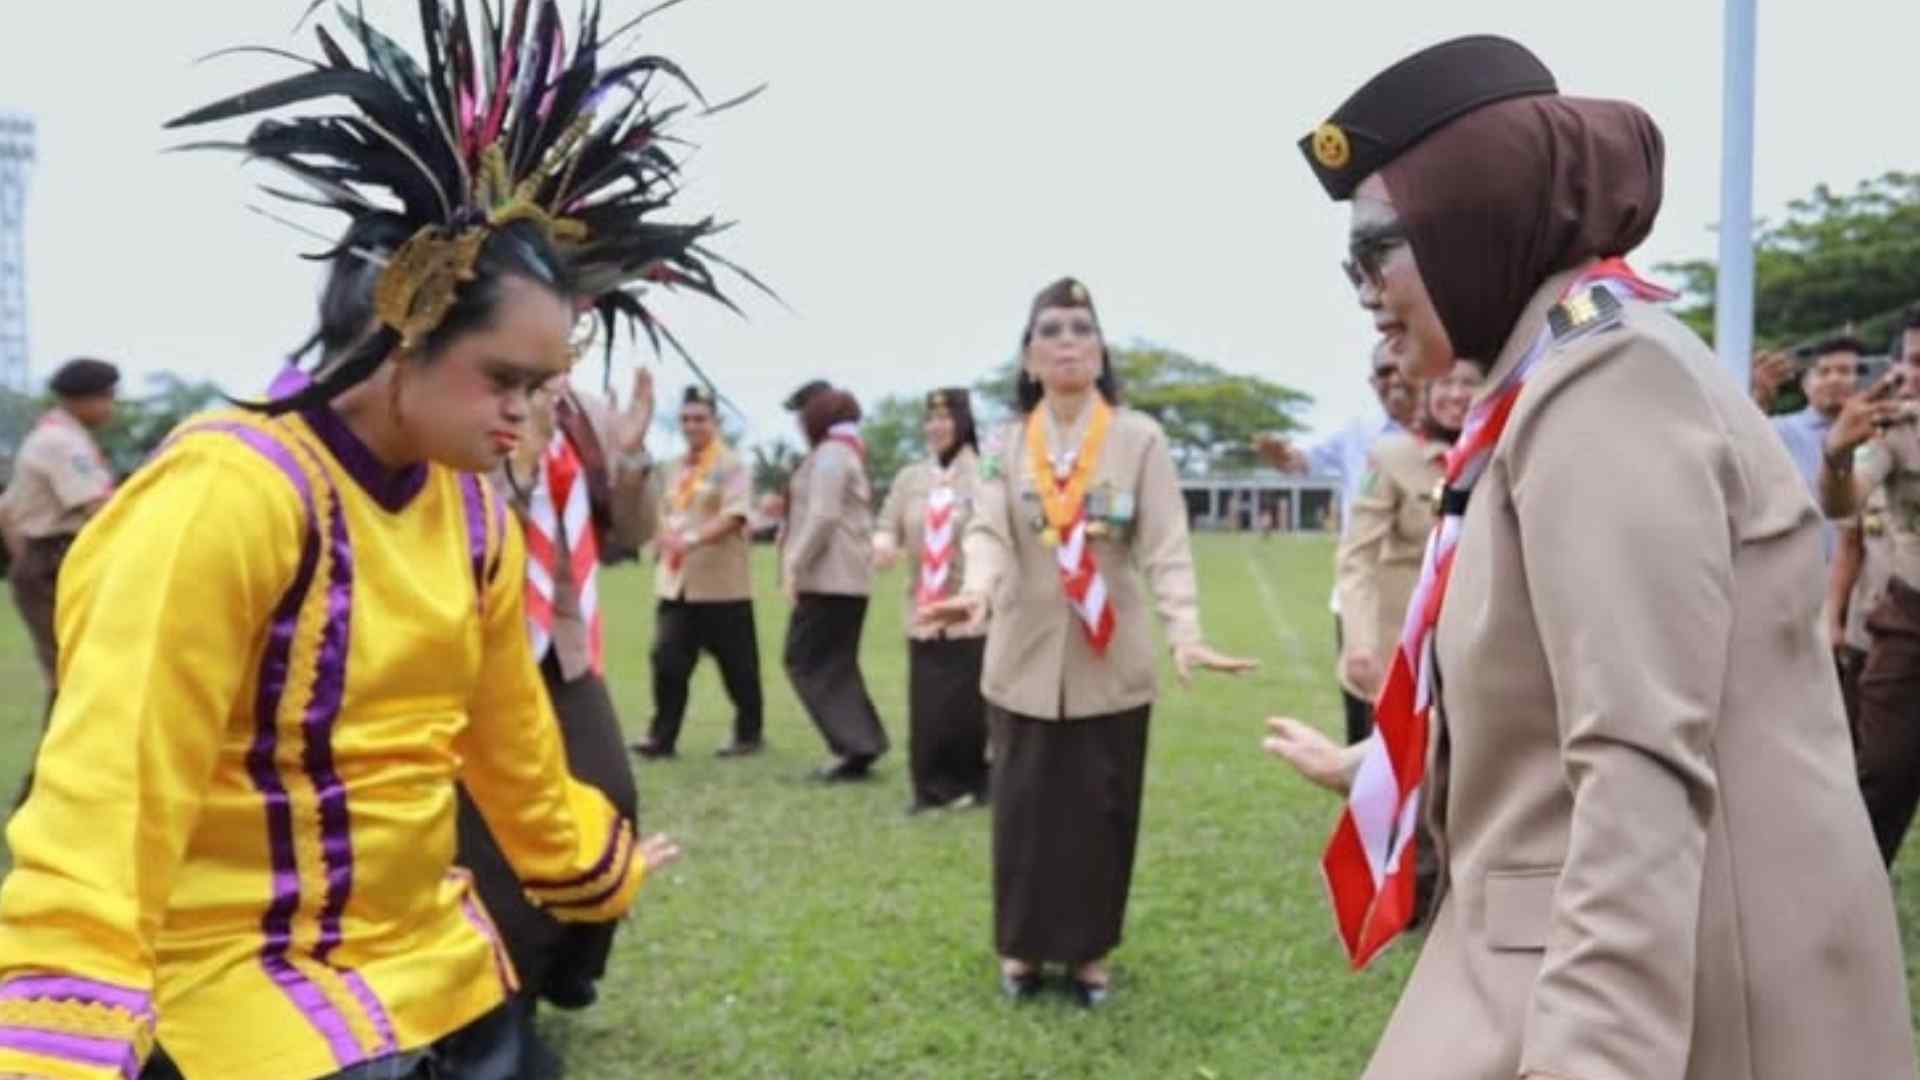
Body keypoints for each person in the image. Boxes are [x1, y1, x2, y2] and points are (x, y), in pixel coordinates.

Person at [0, 3, 761, 1074]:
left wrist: (594, 862)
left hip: (437, 974)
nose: (522, 417)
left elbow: (512, 751)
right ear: (398, 328)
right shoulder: (225, 495)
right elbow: (104, 798)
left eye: (542, 388)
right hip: (240, 996)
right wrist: (57, 1040)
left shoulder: (475, 515)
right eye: (504, 379)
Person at [1263, 35, 1913, 1078]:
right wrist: (1374, 765)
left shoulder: (1606, 387)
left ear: (1473, 217)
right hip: (1554, 939)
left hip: (1668, 985)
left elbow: (1638, 761)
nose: (1361, 288)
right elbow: (1558, 682)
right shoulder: (1555, 371)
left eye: (1376, 249)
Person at [922, 277, 1254, 1007]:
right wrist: (976, 590)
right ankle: (1022, 951)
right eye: (1052, 331)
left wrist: (1186, 632)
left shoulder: (1139, 439)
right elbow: (988, 532)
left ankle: (1089, 956)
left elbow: (1165, 543)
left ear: (1101, 351)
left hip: (1113, 661)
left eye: (1082, 329)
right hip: (1021, 656)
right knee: (1024, 812)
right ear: (1028, 357)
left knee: (1102, 812)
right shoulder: (1006, 446)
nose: (1068, 341)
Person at [452, 363, 656, 1074]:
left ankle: (577, 956)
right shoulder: (473, 399)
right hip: (484, 647)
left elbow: (632, 533)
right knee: (491, 838)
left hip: (562, 646)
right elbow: (467, 528)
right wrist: (526, 457)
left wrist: (629, 453)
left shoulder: (589, 413)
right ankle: (514, 994)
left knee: (613, 794)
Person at [1256, 343, 1415, 744]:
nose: (1394, 380)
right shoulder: (1358, 432)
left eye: (1400, 368)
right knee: (1364, 722)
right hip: (1361, 600)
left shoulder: (1450, 428)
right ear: (1371, 382)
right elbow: (1300, 461)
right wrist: (1280, 456)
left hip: (1423, 597)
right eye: (1383, 373)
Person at [1819, 305, 1920, 865]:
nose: (1913, 374)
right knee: (1881, 772)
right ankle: (1846, 897)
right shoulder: (1895, 430)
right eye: (1910, 362)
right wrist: (1835, 454)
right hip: (1908, 616)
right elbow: (1845, 505)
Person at [1333, 361, 1479, 738]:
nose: (1457, 394)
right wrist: (1361, 644)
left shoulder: (1502, 455)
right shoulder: (1391, 456)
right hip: (1399, 653)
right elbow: (1356, 558)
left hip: (1474, 654)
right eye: (1446, 383)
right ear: (1426, 392)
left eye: (1470, 383)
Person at [631, 385, 765, 760]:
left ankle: (749, 733)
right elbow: (660, 514)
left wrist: (690, 539)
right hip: (677, 585)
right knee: (667, 662)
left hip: (723, 586)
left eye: (700, 419)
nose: (692, 426)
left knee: (739, 668)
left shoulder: (732, 465)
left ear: (716, 422)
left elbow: (735, 515)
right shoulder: (672, 468)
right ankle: (662, 738)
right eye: (686, 419)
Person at [874, 388, 991, 814]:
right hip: (923, 609)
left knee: (964, 706)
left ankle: (970, 782)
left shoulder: (984, 473)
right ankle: (931, 787)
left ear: (963, 423)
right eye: (930, 418)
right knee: (927, 705)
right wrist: (884, 542)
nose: (936, 427)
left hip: (971, 610)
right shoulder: (911, 478)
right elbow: (888, 522)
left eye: (946, 418)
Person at [780, 381, 888, 782]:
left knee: (806, 662)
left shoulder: (829, 456)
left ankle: (854, 746)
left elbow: (823, 516)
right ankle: (863, 741)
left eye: (801, 413)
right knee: (836, 665)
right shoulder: (844, 453)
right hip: (847, 580)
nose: (797, 422)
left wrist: (793, 563)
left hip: (829, 579)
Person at [0, 356, 118, 687]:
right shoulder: (61, 443)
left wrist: (24, 560)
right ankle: (63, 740)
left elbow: (6, 510)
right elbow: (97, 505)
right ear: (84, 399)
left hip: (45, 557)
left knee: (70, 669)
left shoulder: (53, 436)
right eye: (108, 397)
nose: (111, 407)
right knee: (73, 671)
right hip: (55, 558)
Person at [1756, 336, 1865, 559]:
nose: (1834, 379)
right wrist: (1757, 400)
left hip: (1868, 577)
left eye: (1844, 371)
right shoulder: (1778, 431)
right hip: (1800, 568)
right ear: (1805, 384)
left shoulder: (1881, 432)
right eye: (1823, 372)